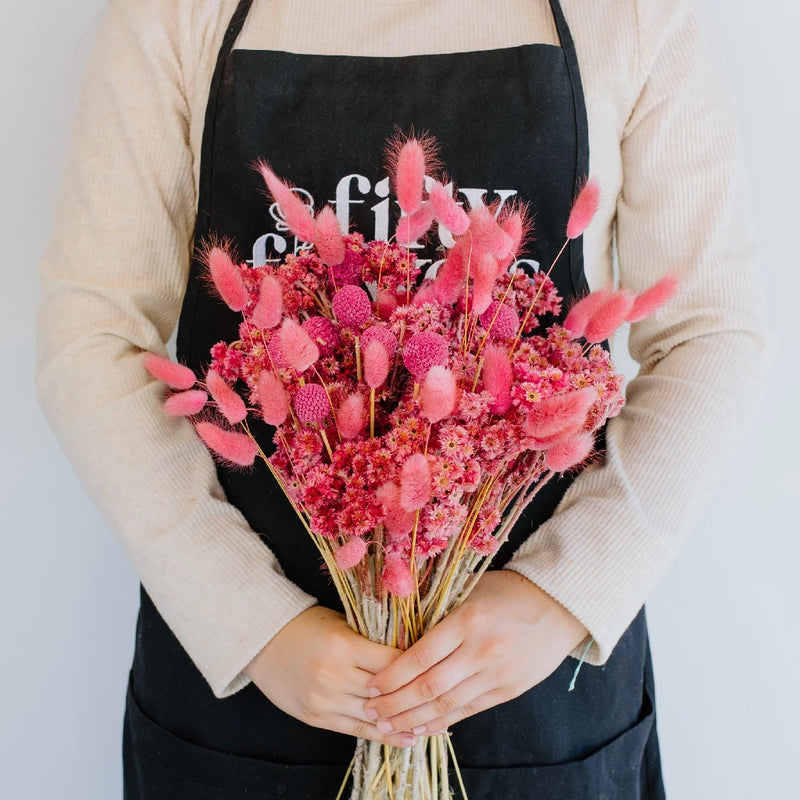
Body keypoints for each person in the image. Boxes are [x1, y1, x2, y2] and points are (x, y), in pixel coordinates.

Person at [36, 0, 767, 797]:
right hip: (248, 695)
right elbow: (93, 339)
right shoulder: (174, 14)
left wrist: (562, 595)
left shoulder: (631, 14)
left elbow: (712, 333)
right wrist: (253, 622)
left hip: (530, 698)